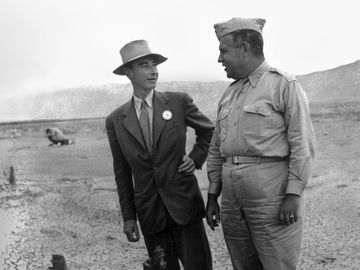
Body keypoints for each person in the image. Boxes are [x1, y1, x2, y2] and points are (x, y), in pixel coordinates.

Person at [205, 17, 316, 270]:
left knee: (277, 265)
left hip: (272, 198)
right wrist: (213, 194)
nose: (219, 59)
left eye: (224, 51)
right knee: (242, 265)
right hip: (232, 200)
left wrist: (292, 195)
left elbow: (303, 145)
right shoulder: (229, 93)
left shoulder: (284, 85)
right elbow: (216, 148)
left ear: (244, 48)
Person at [106, 39, 214, 270]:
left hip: (184, 206)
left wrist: (195, 158)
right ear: (128, 73)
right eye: (145, 65)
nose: (153, 71)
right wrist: (128, 216)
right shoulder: (116, 120)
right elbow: (122, 171)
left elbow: (208, 131)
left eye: (154, 65)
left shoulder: (178, 102)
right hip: (150, 214)